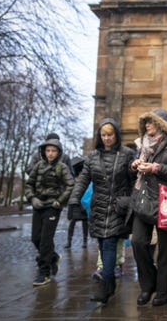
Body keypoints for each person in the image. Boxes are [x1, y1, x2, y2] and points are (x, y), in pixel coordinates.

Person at [68, 119, 134, 303]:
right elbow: (83, 180)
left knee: (110, 245)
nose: (106, 138)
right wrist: (74, 198)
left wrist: (129, 200)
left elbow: (135, 180)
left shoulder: (128, 154)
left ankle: (105, 286)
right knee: (103, 244)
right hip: (98, 207)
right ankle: (110, 282)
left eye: (110, 135)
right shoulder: (92, 157)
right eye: (103, 135)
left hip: (117, 207)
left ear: (116, 135)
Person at [130, 108, 167, 307]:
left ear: (161, 123)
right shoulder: (141, 144)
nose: (147, 125)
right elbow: (133, 172)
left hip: (165, 200)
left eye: (150, 122)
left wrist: (156, 168)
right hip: (143, 199)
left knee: (166, 251)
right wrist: (134, 165)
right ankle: (148, 285)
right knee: (138, 243)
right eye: (146, 123)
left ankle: (164, 291)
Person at [25, 137, 74, 286]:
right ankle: (53, 257)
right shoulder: (38, 166)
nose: (50, 153)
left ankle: (44, 272)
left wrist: (59, 201)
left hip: (53, 207)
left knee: (46, 240)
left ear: (58, 152)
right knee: (35, 238)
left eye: (53, 150)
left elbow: (70, 185)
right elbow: (29, 185)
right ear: (44, 151)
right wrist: (32, 198)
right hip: (38, 205)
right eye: (48, 150)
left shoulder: (62, 167)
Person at [65, 157, 88, 249]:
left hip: (82, 202)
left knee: (85, 222)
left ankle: (85, 241)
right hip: (74, 203)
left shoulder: (84, 176)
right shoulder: (71, 177)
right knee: (72, 222)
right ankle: (69, 241)